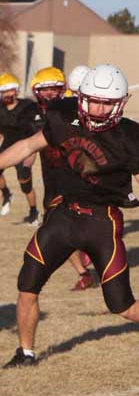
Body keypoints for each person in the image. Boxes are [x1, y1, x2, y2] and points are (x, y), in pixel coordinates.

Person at [0, 64, 139, 376]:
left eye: (105, 103)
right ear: (80, 97)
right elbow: (28, 146)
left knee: (123, 305)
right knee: (27, 284)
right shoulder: (63, 116)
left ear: (119, 104)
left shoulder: (130, 139)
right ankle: (26, 352)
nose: (96, 109)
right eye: (92, 100)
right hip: (64, 216)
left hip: (102, 223)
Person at [23, 67, 99, 291]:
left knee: (75, 226)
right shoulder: (33, 116)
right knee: (58, 229)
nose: (48, 94)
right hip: (52, 182)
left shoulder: (73, 111)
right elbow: (30, 147)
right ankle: (85, 274)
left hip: (79, 180)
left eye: (53, 89)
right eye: (43, 90)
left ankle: (94, 264)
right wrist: (26, 166)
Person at [0, 73, 40, 224]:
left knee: (24, 177)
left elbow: (37, 131)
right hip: (8, 146)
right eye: (5, 91)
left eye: (11, 90)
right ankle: (7, 194)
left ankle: (34, 212)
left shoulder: (28, 107)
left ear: (16, 90)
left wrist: (32, 153)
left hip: (26, 146)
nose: (8, 94)